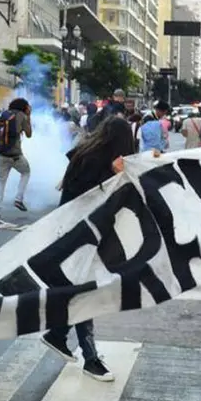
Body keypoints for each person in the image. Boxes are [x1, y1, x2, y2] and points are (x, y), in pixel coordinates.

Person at [41, 116, 137, 382]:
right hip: (79, 235)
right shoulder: (96, 161)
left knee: (84, 290)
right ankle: (89, 357)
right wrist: (116, 173)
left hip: (74, 233)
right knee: (86, 292)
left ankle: (59, 336)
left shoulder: (87, 153)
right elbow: (92, 195)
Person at [0, 98, 32, 219]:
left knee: (1, 180)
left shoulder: (4, 114)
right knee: (26, 172)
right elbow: (29, 134)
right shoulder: (22, 116)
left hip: (1, 154)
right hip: (15, 155)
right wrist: (28, 117)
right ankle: (18, 199)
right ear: (24, 107)